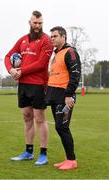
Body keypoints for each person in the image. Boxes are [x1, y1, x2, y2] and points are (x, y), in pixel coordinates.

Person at [4, 10, 53, 166]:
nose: (37, 25)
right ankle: (28, 152)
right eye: (35, 22)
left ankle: (43, 154)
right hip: (23, 84)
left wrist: (21, 71)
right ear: (30, 22)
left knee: (40, 118)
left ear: (42, 24)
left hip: (38, 84)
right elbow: (8, 56)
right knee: (26, 117)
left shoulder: (46, 41)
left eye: (40, 23)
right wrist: (11, 70)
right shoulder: (23, 40)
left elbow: (41, 63)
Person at [45, 26, 81, 170]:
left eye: (55, 36)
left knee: (62, 127)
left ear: (63, 36)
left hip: (64, 97)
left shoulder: (70, 52)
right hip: (55, 97)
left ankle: (72, 160)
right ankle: (67, 159)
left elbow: (75, 74)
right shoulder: (56, 54)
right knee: (59, 128)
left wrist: (68, 95)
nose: (52, 38)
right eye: (51, 36)